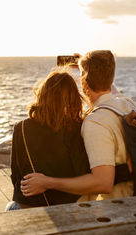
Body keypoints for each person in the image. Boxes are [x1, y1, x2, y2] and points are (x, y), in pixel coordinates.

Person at [20, 50, 136, 201]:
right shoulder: (126, 104)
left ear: (84, 82)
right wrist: (87, 65)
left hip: (109, 208)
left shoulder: (95, 123)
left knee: (12, 207)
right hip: (133, 194)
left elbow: (103, 183)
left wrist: (47, 182)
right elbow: (107, 86)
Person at [5, 70, 90, 210]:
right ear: (73, 99)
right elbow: (87, 178)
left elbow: (16, 177)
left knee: (11, 207)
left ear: (43, 95)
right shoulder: (75, 129)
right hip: (66, 210)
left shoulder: (20, 128)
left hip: (25, 207)